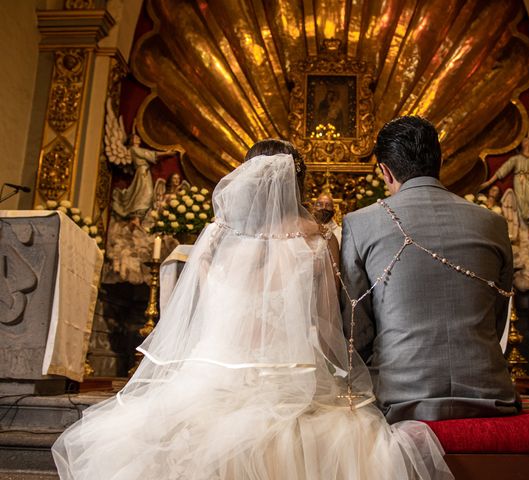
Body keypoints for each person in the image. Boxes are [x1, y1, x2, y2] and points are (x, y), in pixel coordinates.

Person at [52, 139, 451, 480]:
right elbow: (331, 324)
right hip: (294, 378)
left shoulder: (216, 238)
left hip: (212, 375)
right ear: (298, 183)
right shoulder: (319, 239)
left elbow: (197, 314)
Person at [340, 116, 520, 422]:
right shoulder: (493, 223)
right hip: (490, 395)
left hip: (398, 397)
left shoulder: (360, 223)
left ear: (385, 171)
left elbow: (356, 328)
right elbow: (496, 316)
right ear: (439, 161)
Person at [480, 118, 529, 239]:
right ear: (522, 145)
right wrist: (489, 182)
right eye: (525, 142)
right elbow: (502, 170)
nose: (527, 144)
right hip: (519, 182)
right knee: (523, 205)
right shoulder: (516, 159)